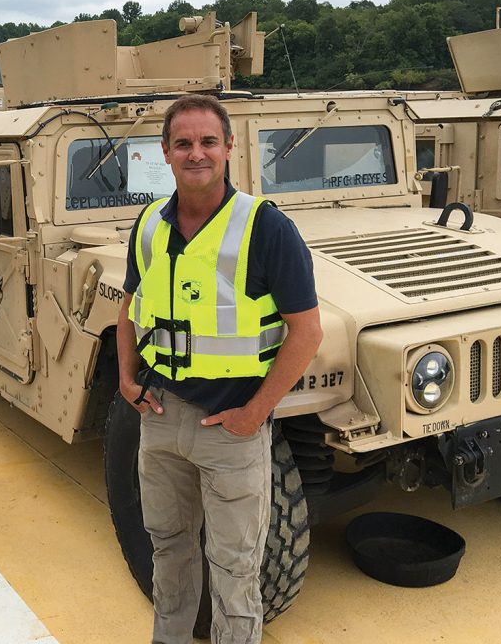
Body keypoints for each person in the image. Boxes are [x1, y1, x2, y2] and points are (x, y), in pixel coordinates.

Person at [116, 94, 322, 644]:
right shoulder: (151, 225)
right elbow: (130, 305)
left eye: (208, 141)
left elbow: (307, 332)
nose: (196, 153)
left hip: (229, 426)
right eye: (183, 143)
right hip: (160, 417)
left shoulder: (265, 227)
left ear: (229, 147)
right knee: (168, 552)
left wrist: (255, 413)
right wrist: (126, 377)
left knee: (234, 571)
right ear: (165, 151)